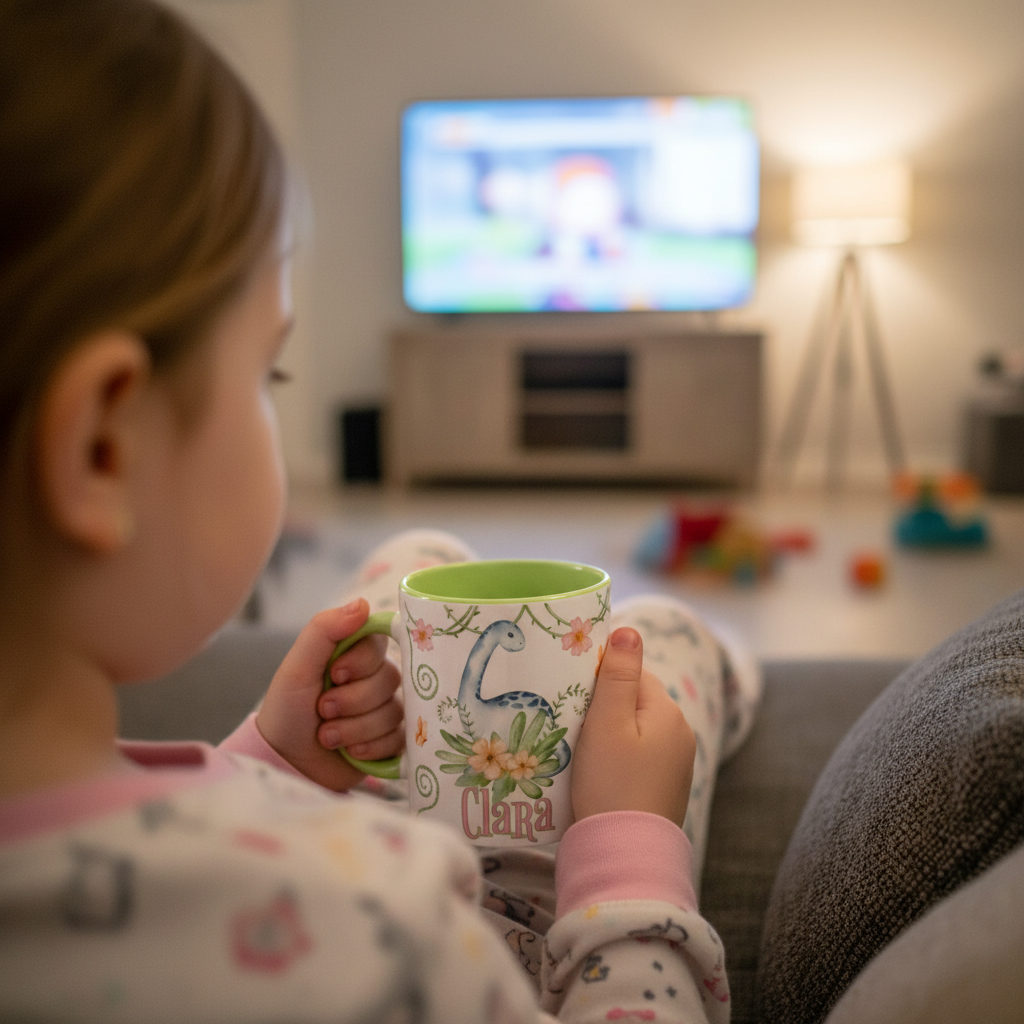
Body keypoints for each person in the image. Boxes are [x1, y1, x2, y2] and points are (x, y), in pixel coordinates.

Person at [0, 2, 757, 1020]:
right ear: (102, 447)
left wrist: (264, 761)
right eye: (270, 369)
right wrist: (625, 848)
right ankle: (704, 666)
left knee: (417, 558)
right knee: (654, 635)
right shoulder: (384, 924)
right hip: (526, 911)